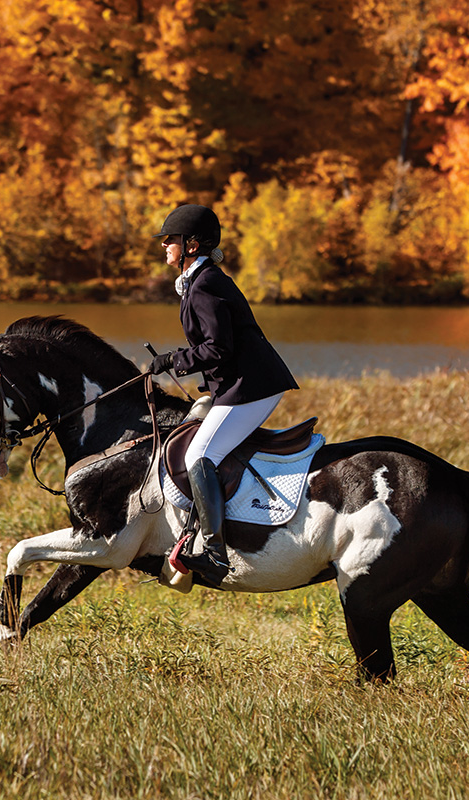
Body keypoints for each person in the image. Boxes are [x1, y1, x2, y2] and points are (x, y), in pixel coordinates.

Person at [147, 204, 298, 582]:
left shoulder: (206, 284)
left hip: (253, 387)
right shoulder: (199, 281)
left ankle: (215, 552)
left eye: (171, 240)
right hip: (237, 384)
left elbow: (219, 347)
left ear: (192, 245)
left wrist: (173, 360)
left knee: (200, 454)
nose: (164, 245)